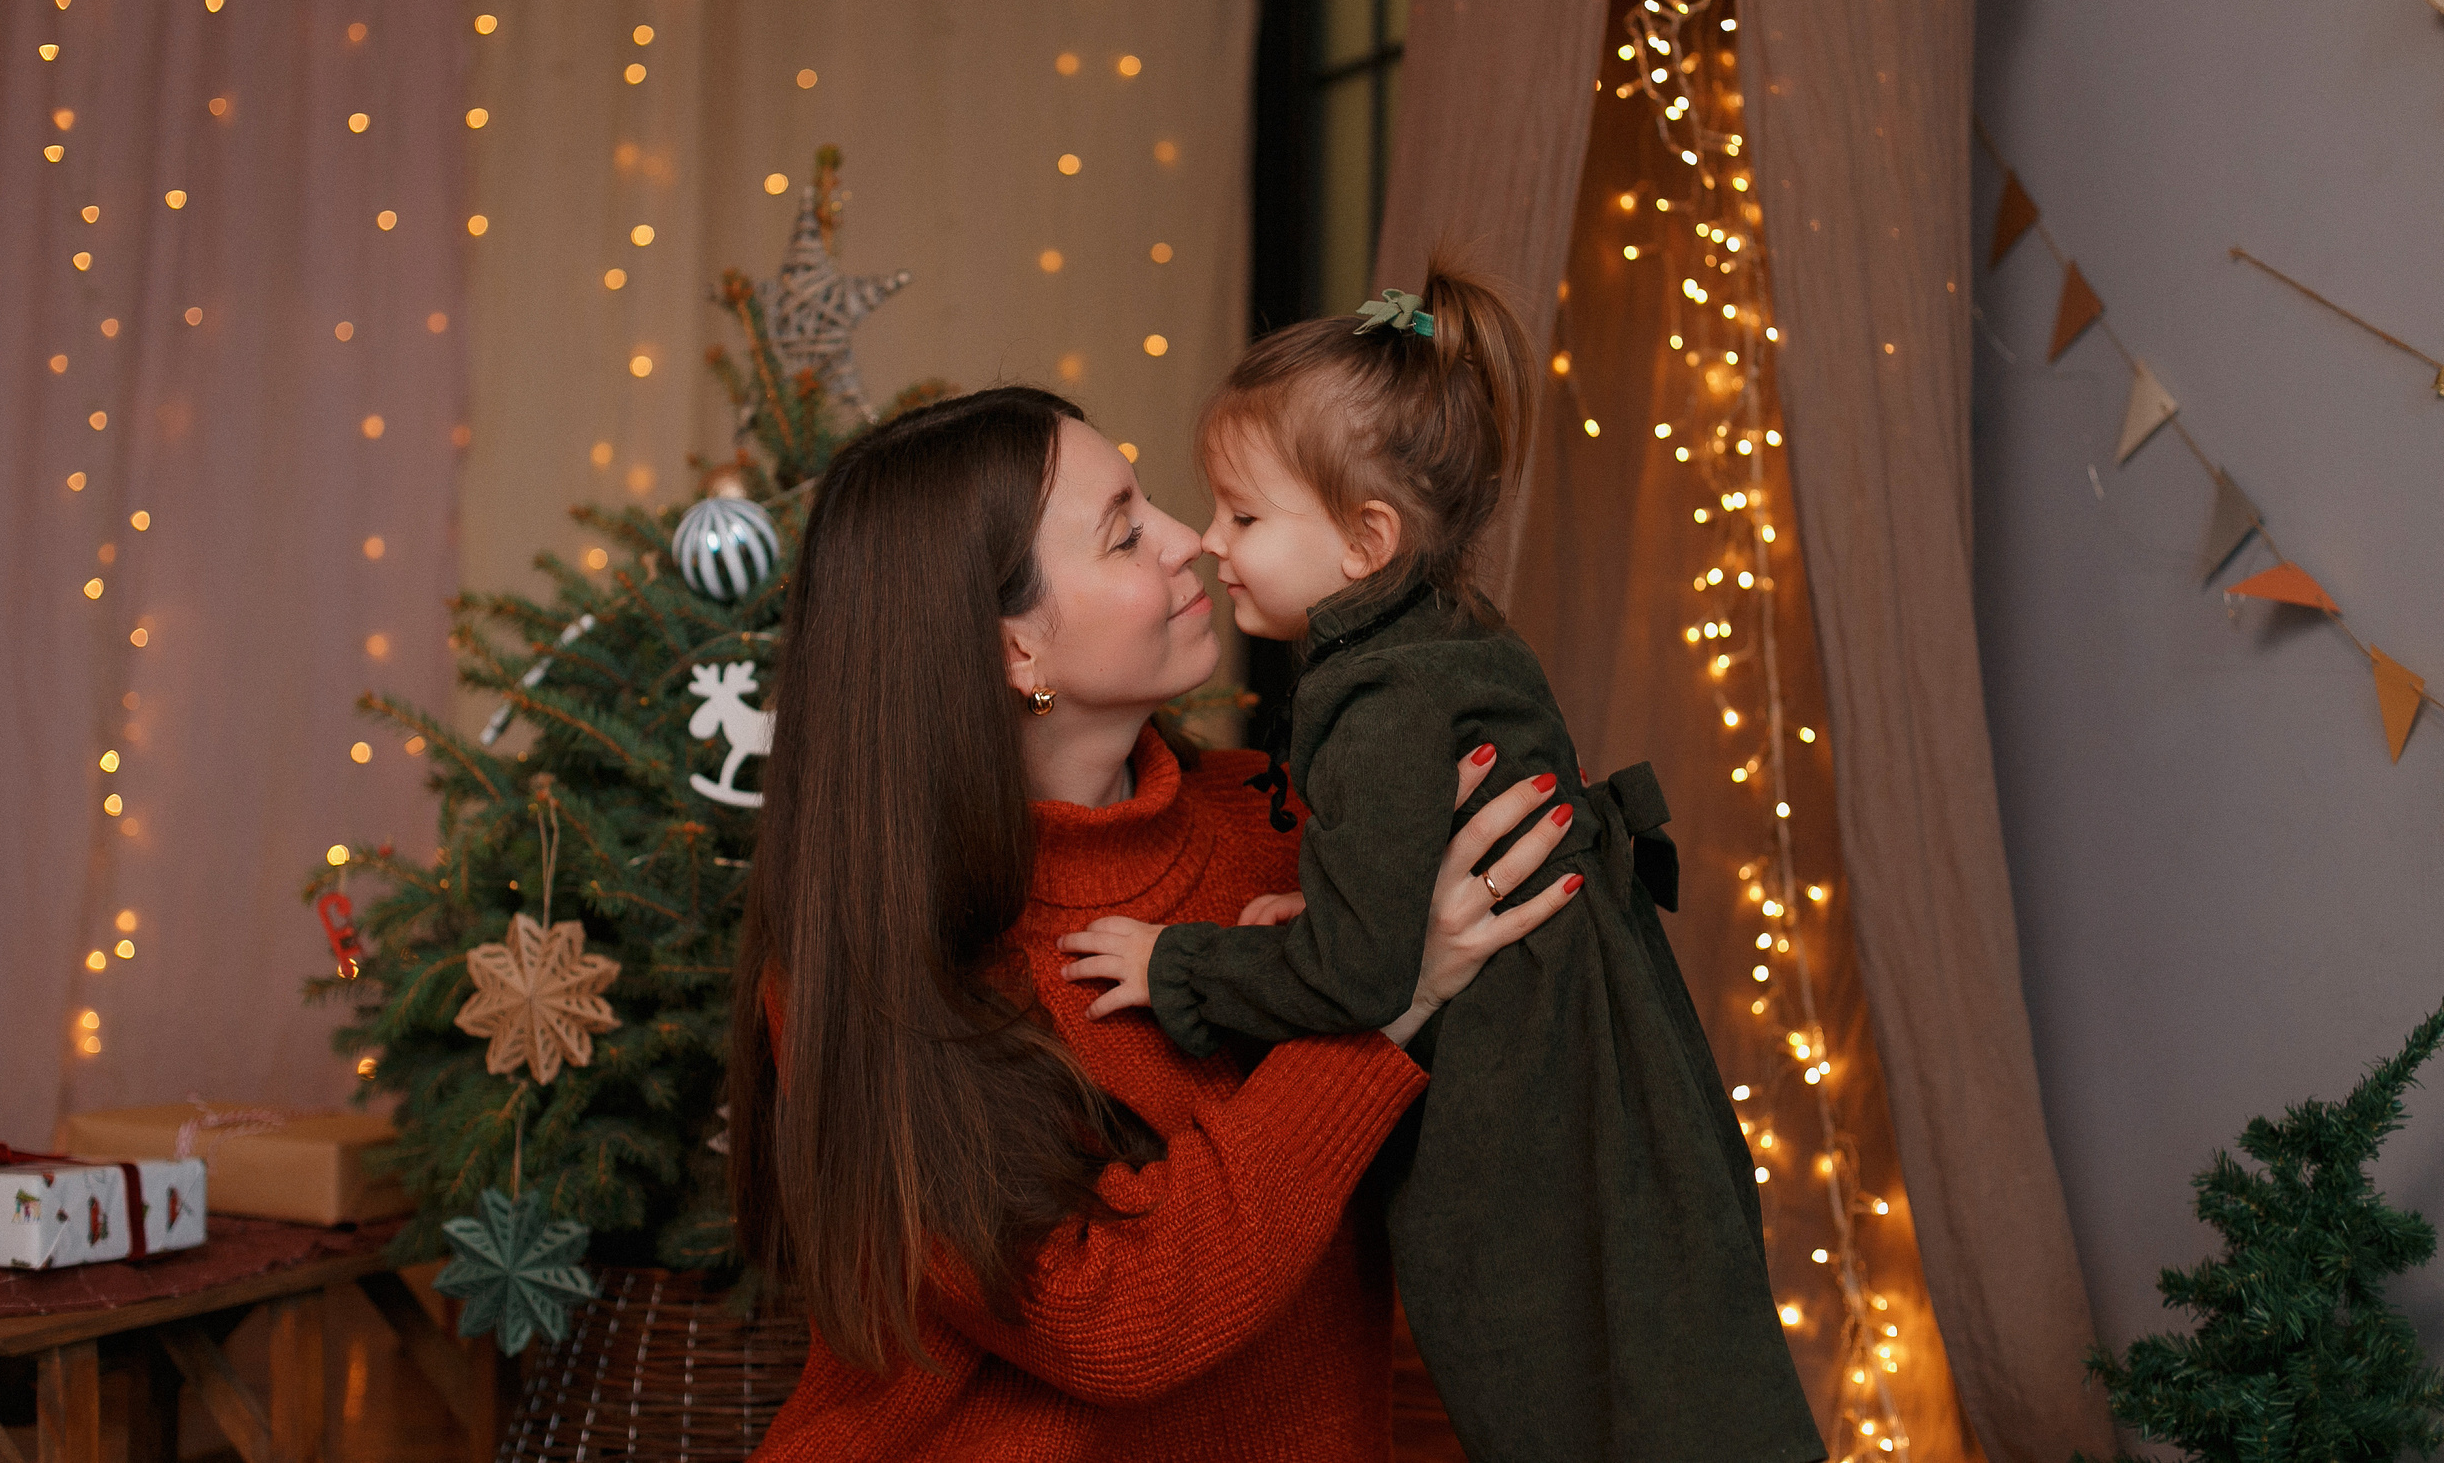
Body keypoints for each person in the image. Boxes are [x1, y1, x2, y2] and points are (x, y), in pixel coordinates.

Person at [726, 385, 1580, 1462]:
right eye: (1126, 533)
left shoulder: (1287, 830)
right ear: (1012, 653)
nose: (1192, 543)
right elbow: (1110, 1316)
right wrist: (1380, 1000)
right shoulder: (865, 969)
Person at [1057, 268, 1825, 1463]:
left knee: (1555, 1366)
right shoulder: (1446, 642)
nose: (1205, 544)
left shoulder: (1377, 709)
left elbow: (1359, 977)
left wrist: (1182, 968)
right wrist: (1341, 911)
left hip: (1527, 1097)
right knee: (1662, 1347)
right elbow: (1390, 916)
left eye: (1241, 518)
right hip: (1607, 1053)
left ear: (1368, 540)